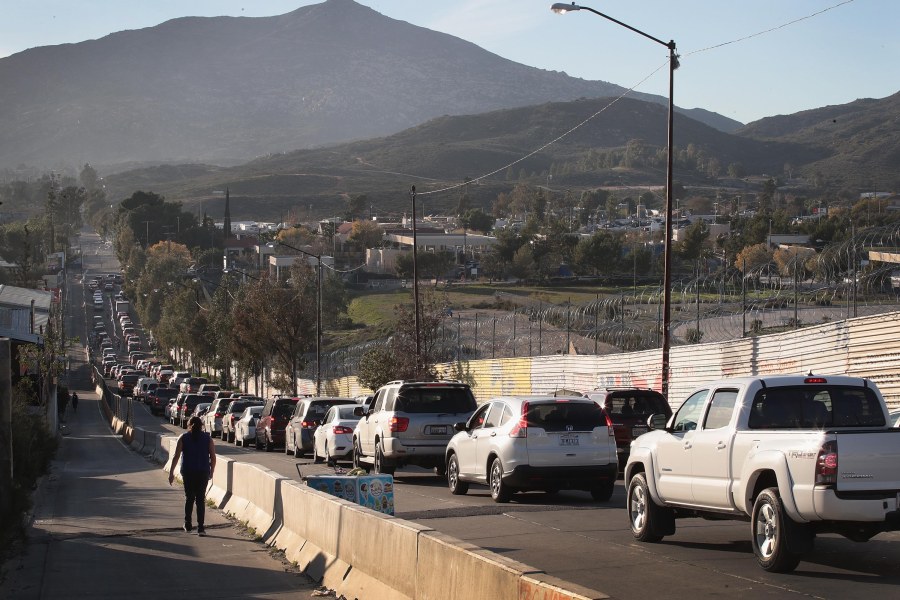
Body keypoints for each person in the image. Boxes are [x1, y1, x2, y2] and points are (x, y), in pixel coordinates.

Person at [168, 416, 216, 535]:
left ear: (189, 425)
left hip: (188, 472)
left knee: (189, 498)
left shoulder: (183, 438)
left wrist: (171, 472)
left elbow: (176, 456)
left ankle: (188, 523)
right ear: (201, 426)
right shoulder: (208, 439)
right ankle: (201, 527)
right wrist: (212, 471)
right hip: (203, 472)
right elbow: (213, 457)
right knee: (200, 499)